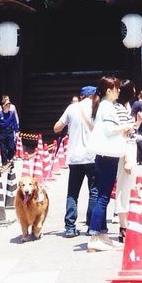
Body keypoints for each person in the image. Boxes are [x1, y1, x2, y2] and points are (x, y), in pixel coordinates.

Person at [87, 75, 134, 252]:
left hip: (106, 155)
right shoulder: (107, 107)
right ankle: (94, 236)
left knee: (103, 194)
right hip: (107, 155)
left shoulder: (105, 106)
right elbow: (109, 130)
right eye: (116, 88)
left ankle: (100, 233)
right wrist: (125, 127)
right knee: (103, 196)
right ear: (109, 90)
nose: (119, 90)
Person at [55, 86, 96, 238]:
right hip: (92, 157)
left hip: (74, 157)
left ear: (81, 96)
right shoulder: (96, 108)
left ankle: (70, 227)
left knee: (73, 193)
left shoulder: (71, 108)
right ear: (93, 96)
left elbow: (57, 128)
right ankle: (92, 226)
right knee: (94, 192)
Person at [112, 80, 138, 237]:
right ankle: (123, 227)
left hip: (128, 149)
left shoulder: (123, 108)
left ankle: (126, 224)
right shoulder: (120, 110)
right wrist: (128, 158)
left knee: (127, 187)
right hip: (126, 151)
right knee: (124, 188)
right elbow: (124, 136)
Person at [0, 95, 19, 165]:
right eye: (7, 104)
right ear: (4, 105)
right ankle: (4, 163)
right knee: (3, 149)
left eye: (9, 105)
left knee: (12, 147)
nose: (8, 106)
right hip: (2, 133)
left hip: (10, 132)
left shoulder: (12, 113)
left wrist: (16, 131)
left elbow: (15, 123)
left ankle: (9, 158)